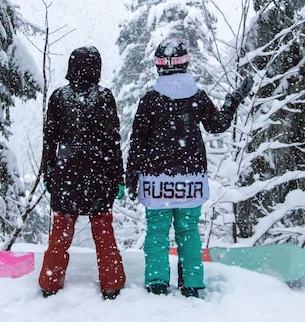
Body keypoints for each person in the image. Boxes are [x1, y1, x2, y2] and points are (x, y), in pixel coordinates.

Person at [126, 36, 253, 298]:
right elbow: (217, 125)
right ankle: (192, 284)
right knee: (189, 232)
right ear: (185, 64)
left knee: (157, 233)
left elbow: (137, 142)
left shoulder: (150, 101)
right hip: (191, 177)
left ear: (158, 66)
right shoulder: (197, 97)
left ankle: (158, 283)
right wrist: (233, 100)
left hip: (156, 179)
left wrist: (131, 177)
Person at [39, 46, 126, 300]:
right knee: (103, 232)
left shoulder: (59, 97)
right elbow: (113, 140)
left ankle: (50, 282)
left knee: (61, 233)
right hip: (99, 174)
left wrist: (48, 173)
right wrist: (117, 177)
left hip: (66, 175)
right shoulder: (105, 97)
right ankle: (111, 284)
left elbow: (49, 140)